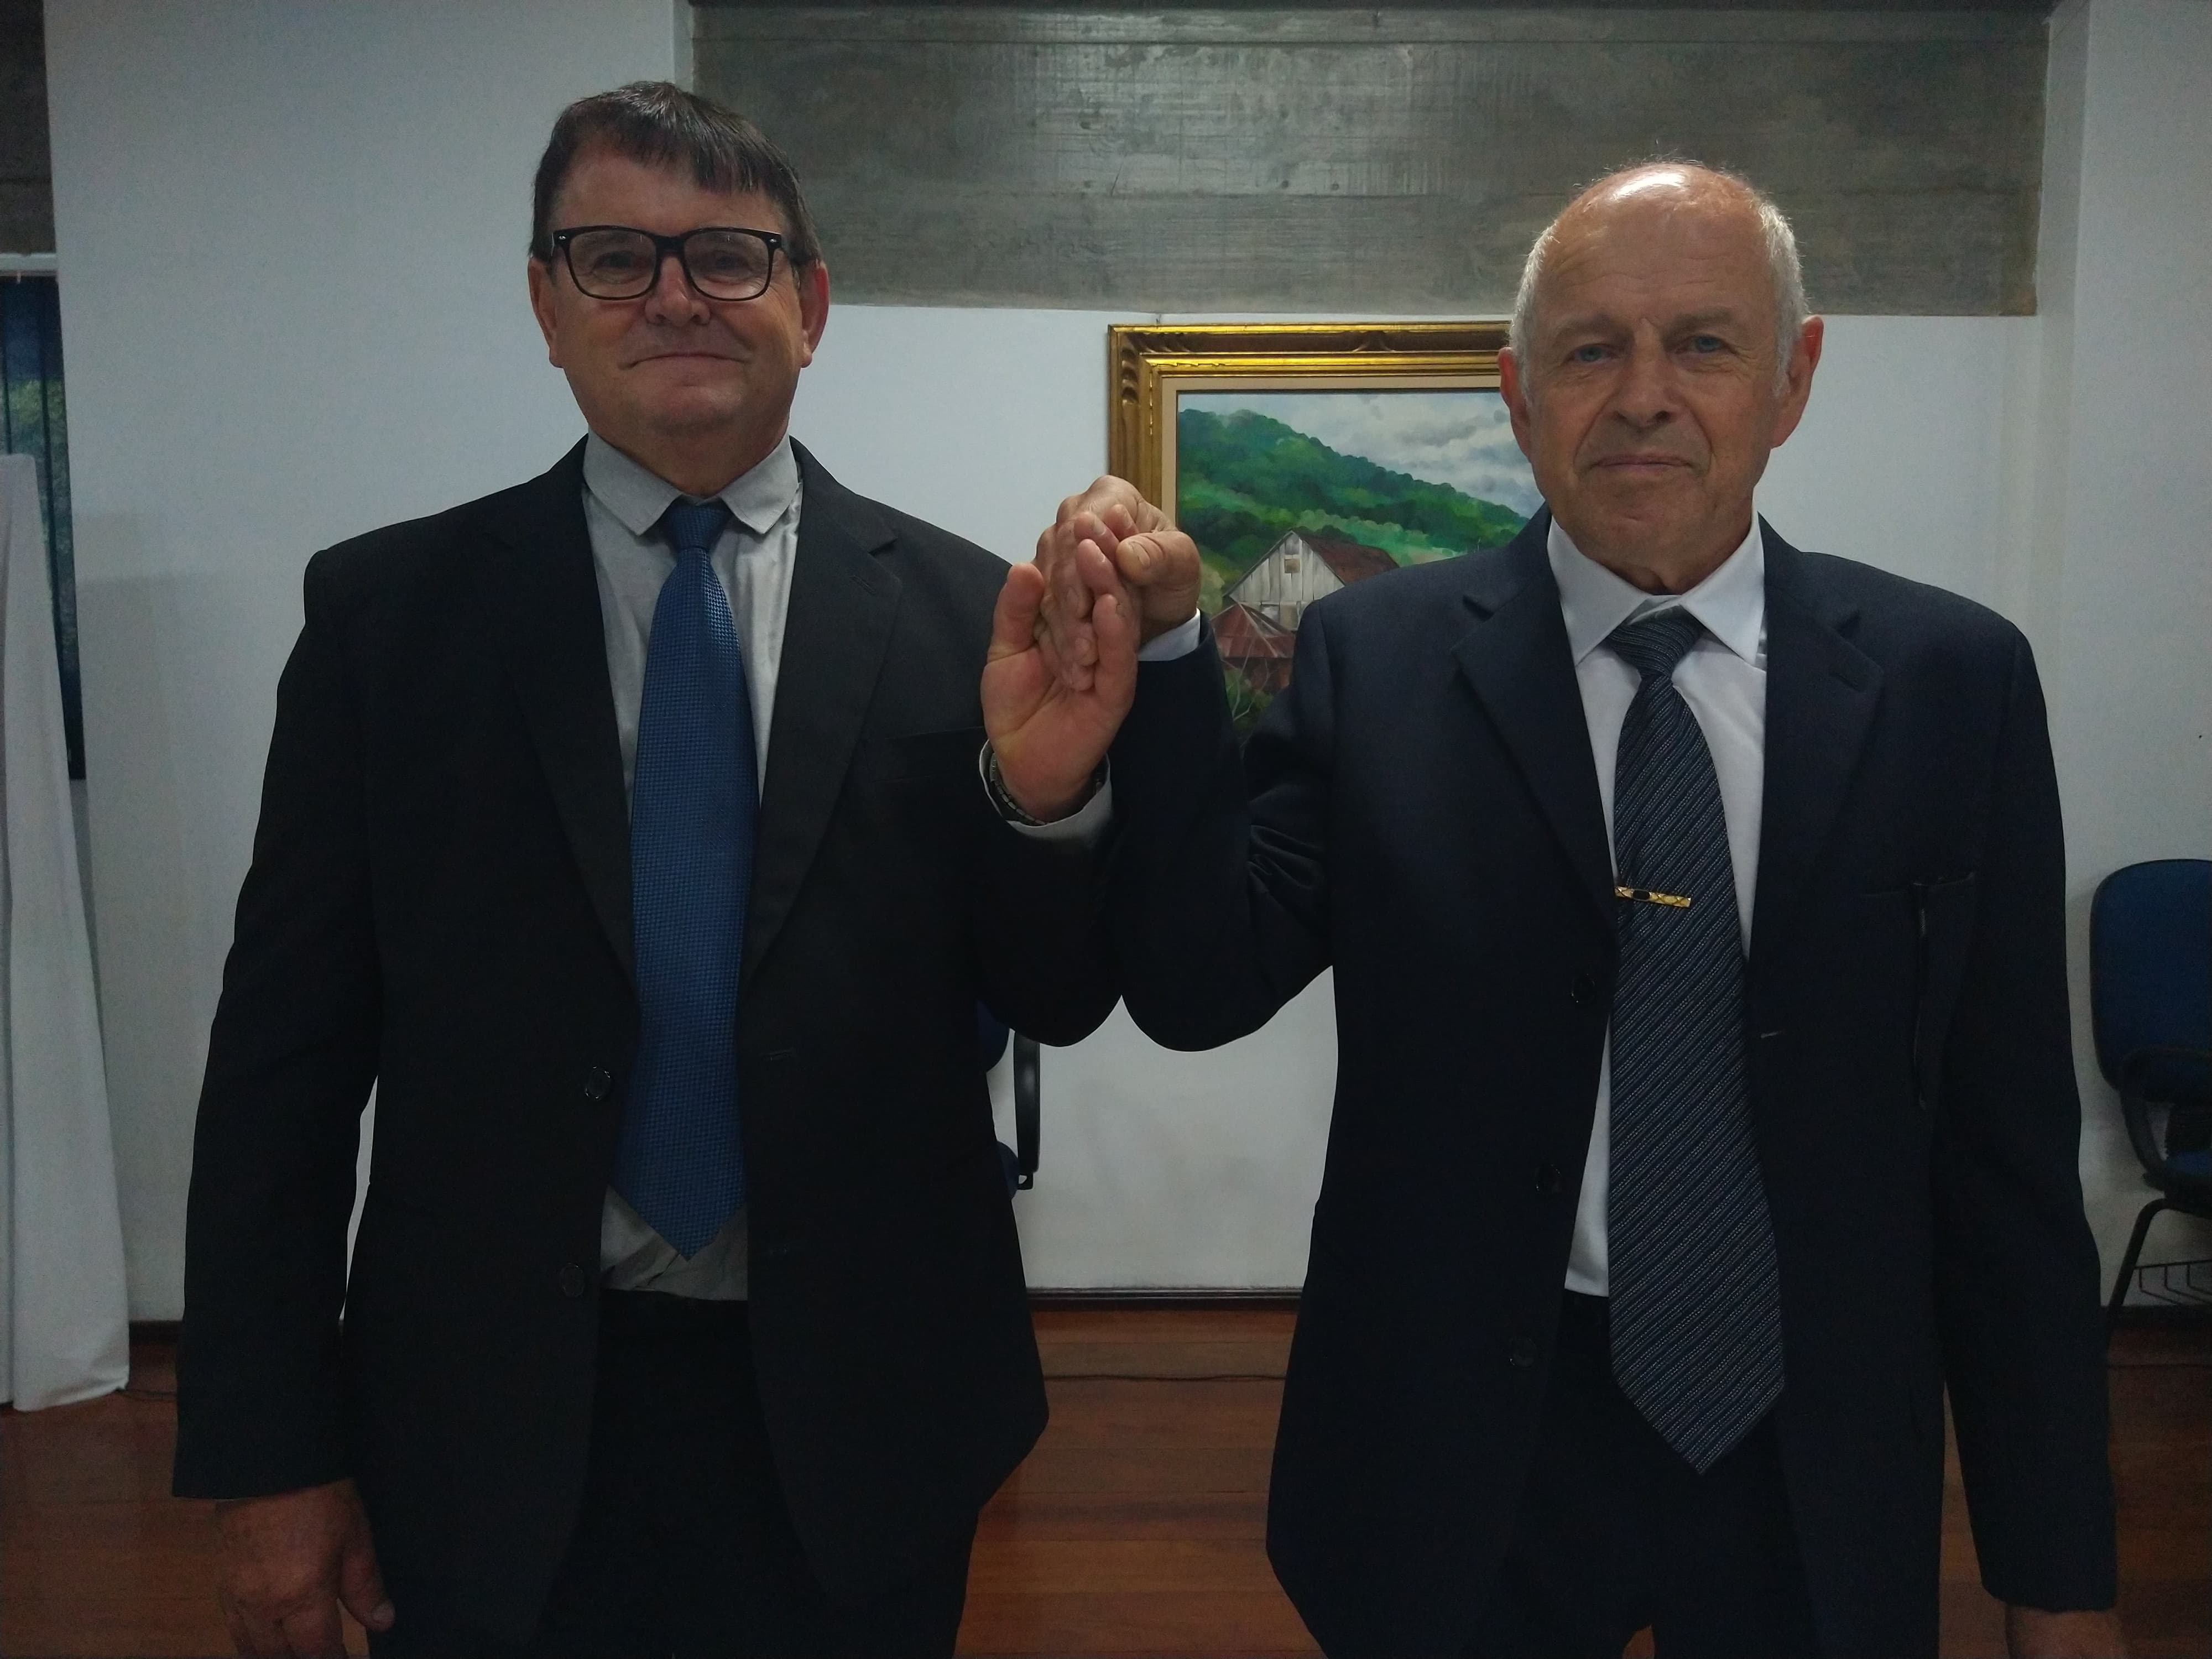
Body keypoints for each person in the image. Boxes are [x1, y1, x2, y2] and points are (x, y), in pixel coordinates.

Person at [1004, 164, 2124, 1657]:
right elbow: (1199, 983)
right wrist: (1157, 673)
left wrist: (2058, 1581)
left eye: (1703, 344)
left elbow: (2008, 1164)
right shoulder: (1379, 662)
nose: (1643, 395)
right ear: (1520, 394)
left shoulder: (1948, 684)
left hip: (1808, 1443)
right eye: (1592, 349)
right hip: (1462, 1442)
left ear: (1793, 379)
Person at [175, 82, 1131, 1658]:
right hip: (479, 1419)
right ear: (545, 306)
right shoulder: (387, 624)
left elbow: (1057, 995)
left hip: (869, 1415)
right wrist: (270, 1455)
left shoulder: (978, 621)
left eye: (729, 255)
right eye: (615, 256)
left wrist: (1051, 807)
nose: (676, 295)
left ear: (811, 305)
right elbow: (282, 1065)